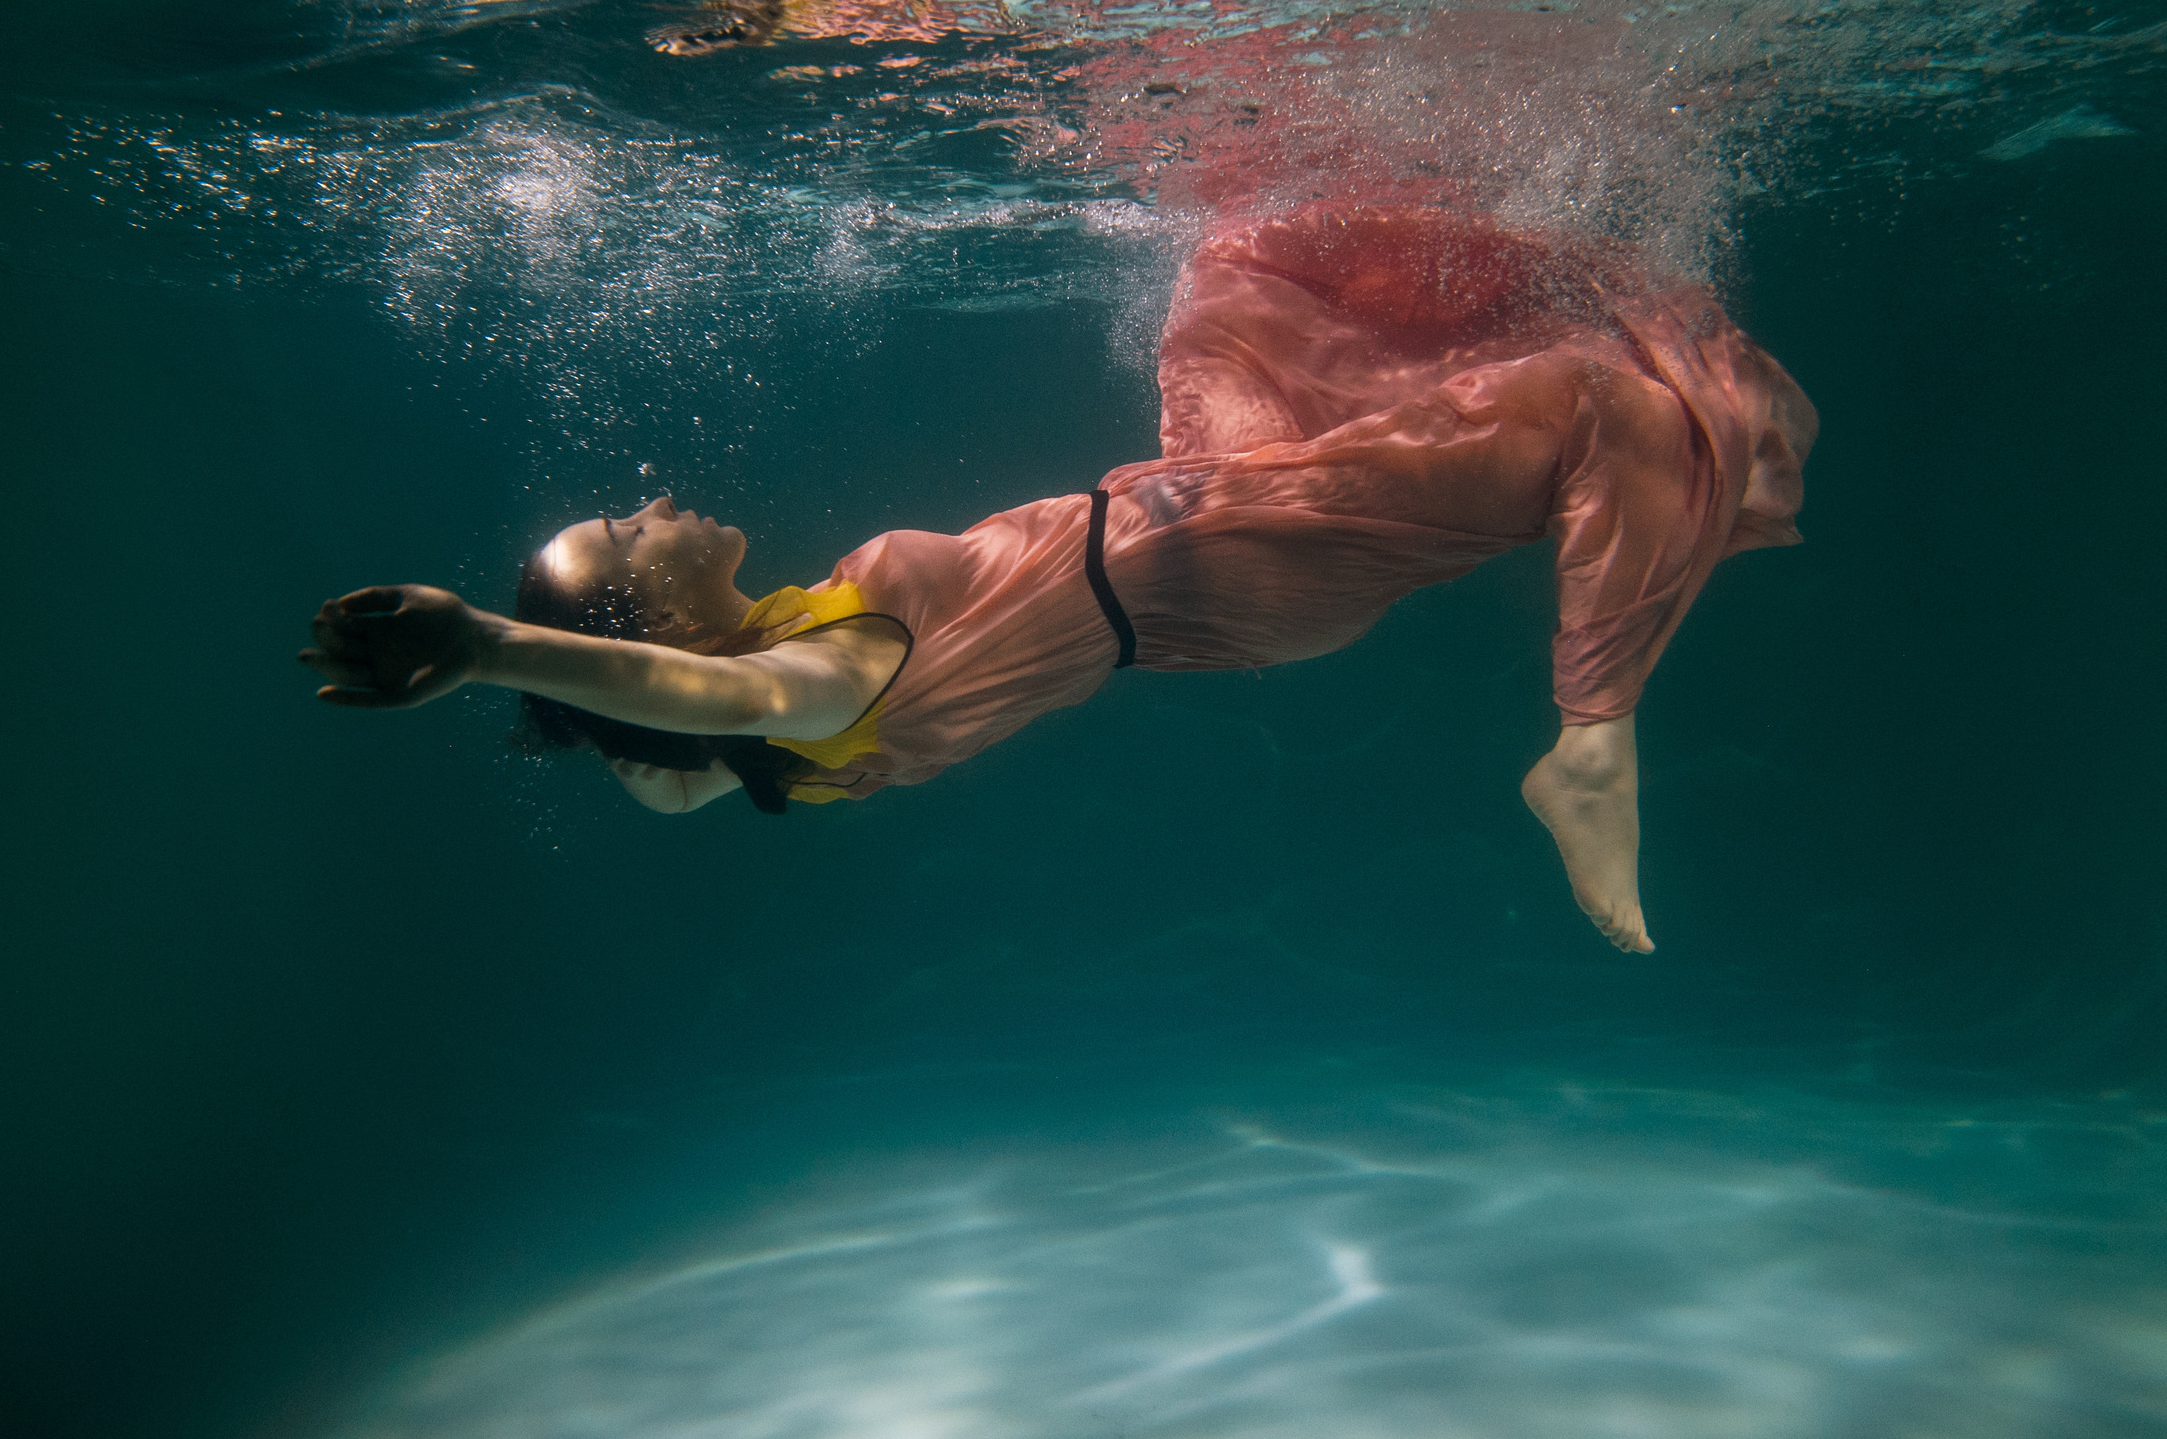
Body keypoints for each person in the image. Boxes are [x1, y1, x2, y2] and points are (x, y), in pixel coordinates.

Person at [301, 207, 1817, 953]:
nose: (651, 503)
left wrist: (563, 692)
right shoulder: (814, 687)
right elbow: (694, 698)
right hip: (1224, 558)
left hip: (1183, 518)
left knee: (1248, 274)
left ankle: (1589, 682)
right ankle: (1592, 743)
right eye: (625, 540)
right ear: (656, 618)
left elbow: (670, 752)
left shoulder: (742, 744)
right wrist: (494, 647)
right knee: (1590, 410)